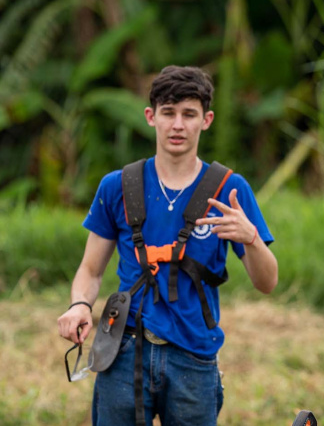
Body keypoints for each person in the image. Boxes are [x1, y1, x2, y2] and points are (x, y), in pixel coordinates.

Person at [56, 65, 278, 426]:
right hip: (124, 350)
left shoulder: (229, 189)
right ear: (151, 117)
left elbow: (268, 283)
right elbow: (90, 269)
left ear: (206, 120)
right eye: (168, 113)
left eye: (188, 114)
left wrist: (250, 238)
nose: (178, 125)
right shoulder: (118, 186)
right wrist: (80, 304)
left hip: (193, 356)